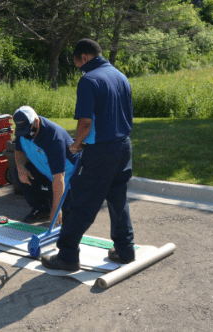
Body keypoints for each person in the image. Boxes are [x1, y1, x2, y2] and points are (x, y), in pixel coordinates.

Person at [40, 38, 135, 271]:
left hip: (101, 151)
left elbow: (85, 122)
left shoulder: (88, 80)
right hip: (123, 146)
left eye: (77, 63)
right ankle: (125, 250)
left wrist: (76, 144)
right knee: (117, 199)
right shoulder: (120, 76)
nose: (78, 68)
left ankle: (68, 256)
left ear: (84, 57)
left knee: (81, 202)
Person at [12, 105, 79, 224]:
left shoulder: (54, 138)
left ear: (36, 122)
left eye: (28, 130)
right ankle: (42, 208)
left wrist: (57, 209)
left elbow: (59, 178)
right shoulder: (23, 129)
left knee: (67, 219)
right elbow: (19, 150)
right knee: (19, 173)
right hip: (47, 172)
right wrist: (20, 167)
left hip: (69, 179)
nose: (25, 134)